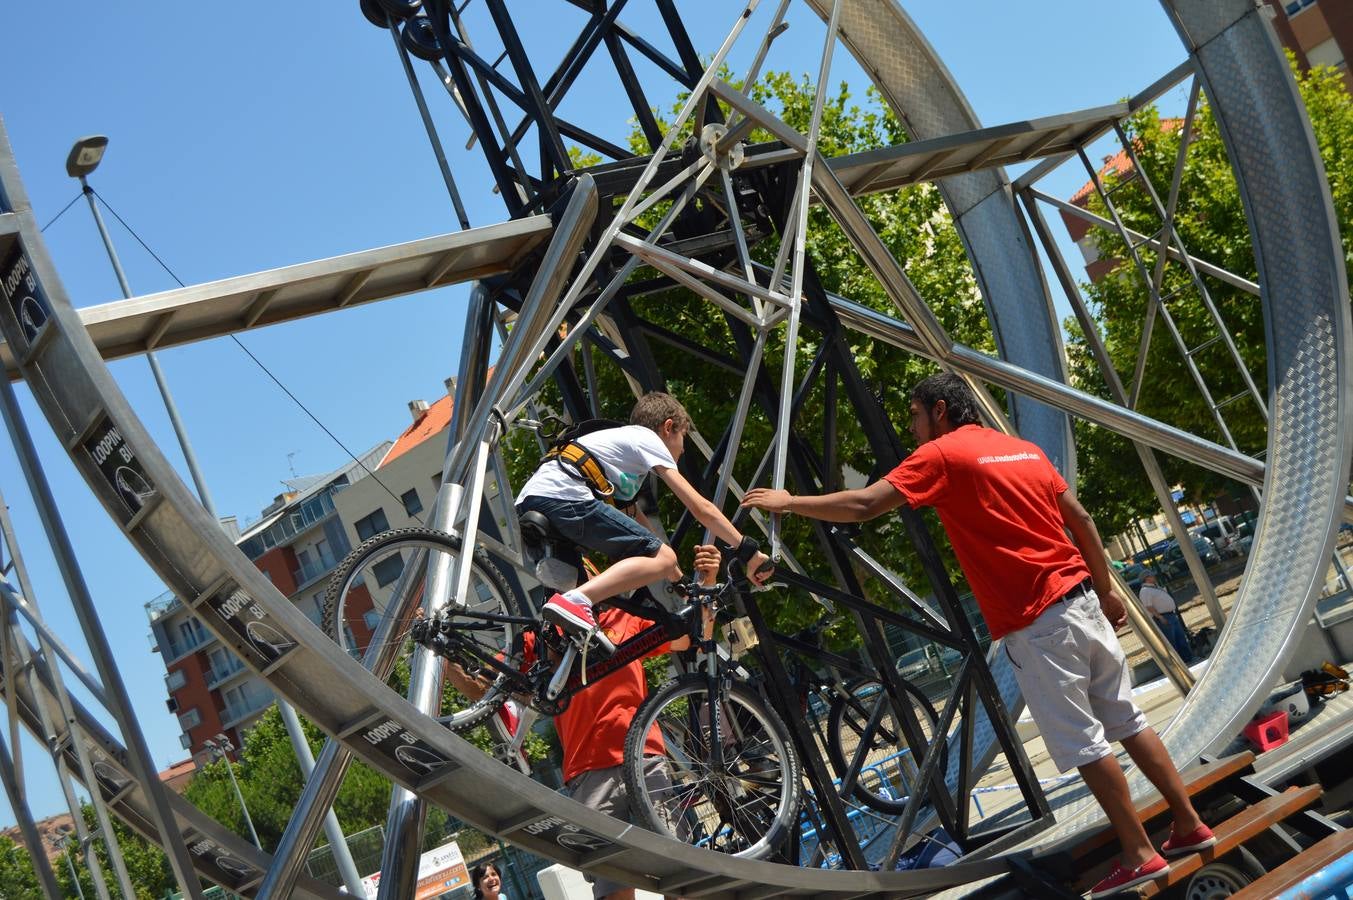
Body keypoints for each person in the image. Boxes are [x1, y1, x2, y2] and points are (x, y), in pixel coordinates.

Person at [742, 373, 1214, 898]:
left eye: (916, 416)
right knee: (1128, 719)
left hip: (1038, 623)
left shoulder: (943, 455)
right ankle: (1188, 822)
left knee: (1084, 744)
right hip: (1083, 602)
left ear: (940, 410)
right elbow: (1080, 518)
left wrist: (789, 503)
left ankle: (1138, 852)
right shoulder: (1022, 450)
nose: (913, 430)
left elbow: (864, 505)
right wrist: (1106, 591)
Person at [453, 545, 724, 900]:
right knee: (614, 890)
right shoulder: (542, 640)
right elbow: (481, 687)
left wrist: (709, 581)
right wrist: (445, 657)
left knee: (683, 879)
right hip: (588, 775)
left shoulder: (623, 621)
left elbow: (692, 637)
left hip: (644, 761)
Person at [516, 391, 771, 653]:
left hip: (534, 501)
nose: (680, 454)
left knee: (579, 627)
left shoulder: (620, 456)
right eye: (682, 443)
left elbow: (637, 526)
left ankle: (550, 666)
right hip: (564, 497)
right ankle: (577, 599)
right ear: (668, 427)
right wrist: (746, 549)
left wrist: (678, 580)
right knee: (645, 567)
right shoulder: (646, 438)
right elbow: (700, 507)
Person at [1139, 573, 1194, 663]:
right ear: (1146, 578)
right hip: (1163, 617)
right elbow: (1148, 606)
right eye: (1151, 575)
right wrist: (1160, 617)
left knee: (1180, 638)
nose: (1154, 577)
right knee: (1171, 642)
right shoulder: (1145, 591)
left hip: (1171, 615)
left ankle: (1188, 659)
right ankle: (1178, 663)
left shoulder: (1155, 587)